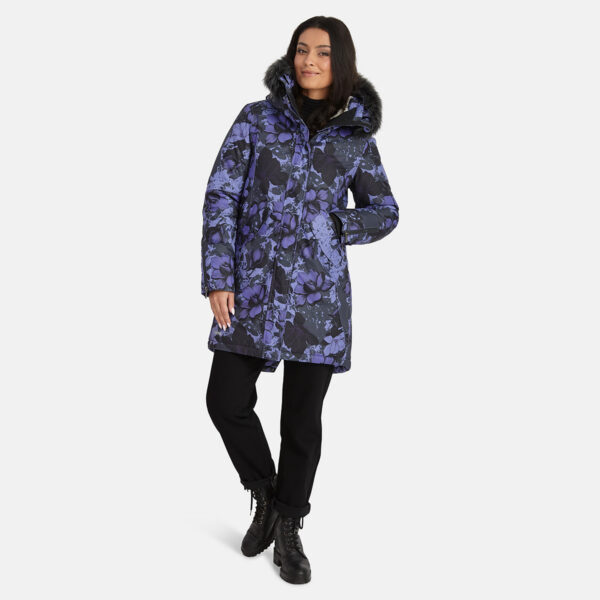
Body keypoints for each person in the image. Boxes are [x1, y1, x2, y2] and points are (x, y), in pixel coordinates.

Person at [202, 16, 399, 584]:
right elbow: (221, 196)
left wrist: (337, 224)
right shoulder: (257, 119)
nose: (309, 61)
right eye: (301, 50)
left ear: (342, 62)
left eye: (323, 52)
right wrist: (219, 277)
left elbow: (385, 211)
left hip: (319, 301)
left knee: (302, 422)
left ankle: (289, 526)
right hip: (252, 288)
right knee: (225, 400)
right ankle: (266, 494)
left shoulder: (356, 137)